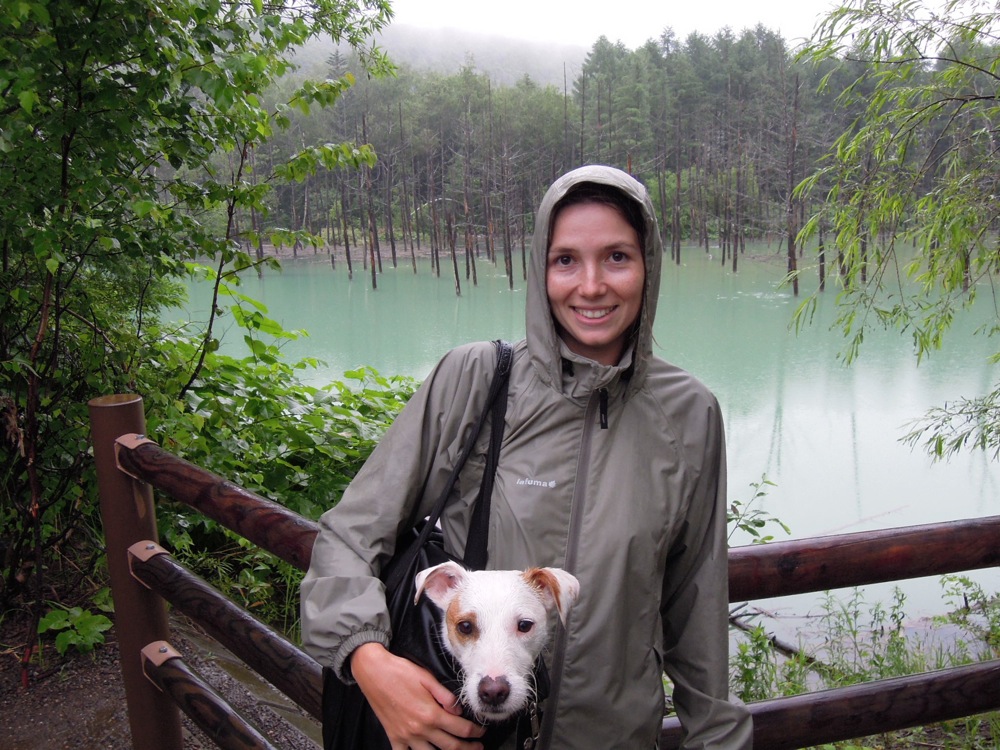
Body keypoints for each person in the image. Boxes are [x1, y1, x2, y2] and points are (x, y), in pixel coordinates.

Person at [301, 164, 753, 749]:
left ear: (650, 269)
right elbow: (349, 537)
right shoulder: (477, 380)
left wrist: (718, 739)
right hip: (463, 734)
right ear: (540, 269)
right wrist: (367, 661)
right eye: (566, 260)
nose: (591, 285)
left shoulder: (689, 415)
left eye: (617, 257)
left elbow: (696, 605)